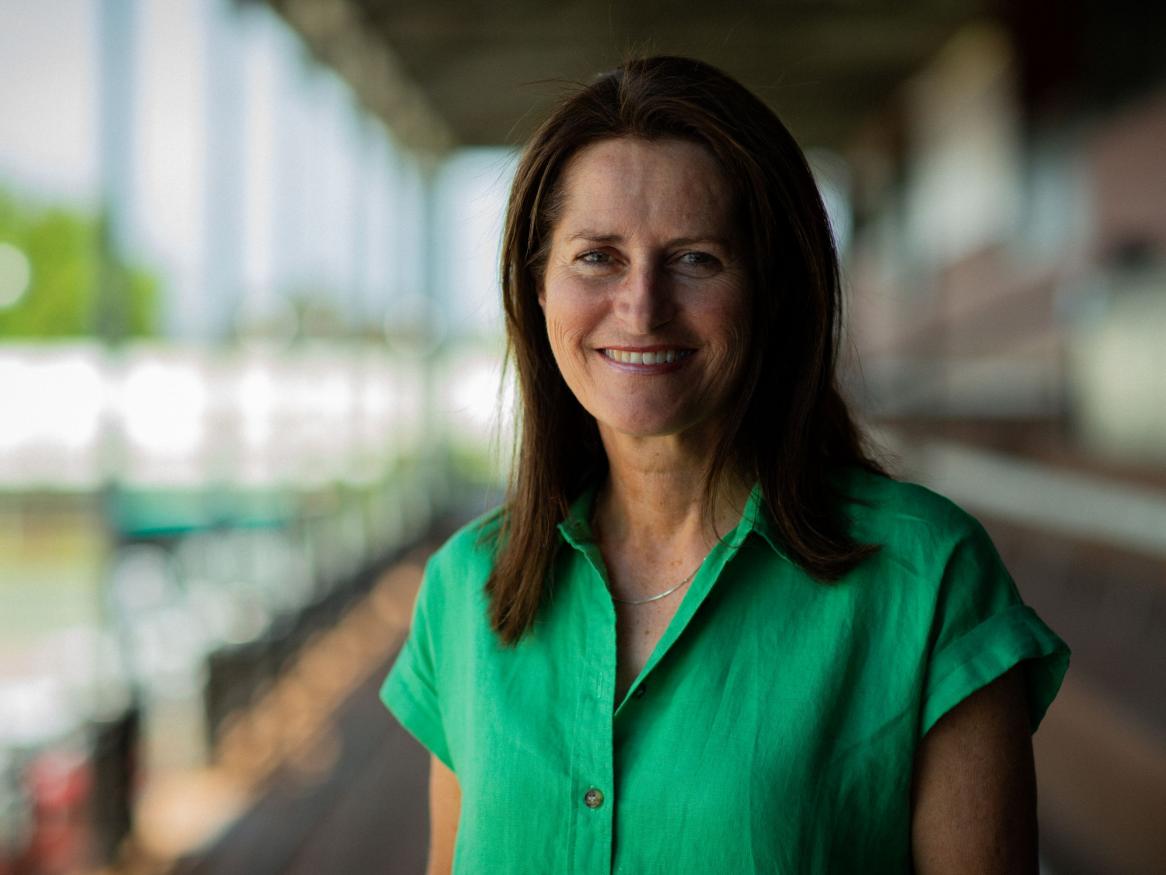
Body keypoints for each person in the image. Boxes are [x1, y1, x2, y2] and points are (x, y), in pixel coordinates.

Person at [380, 56, 1069, 874]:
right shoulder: (465, 590)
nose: (641, 307)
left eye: (696, 258)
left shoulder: (928, 581)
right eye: (597, 256)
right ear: (536, 288)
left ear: (773, 289)